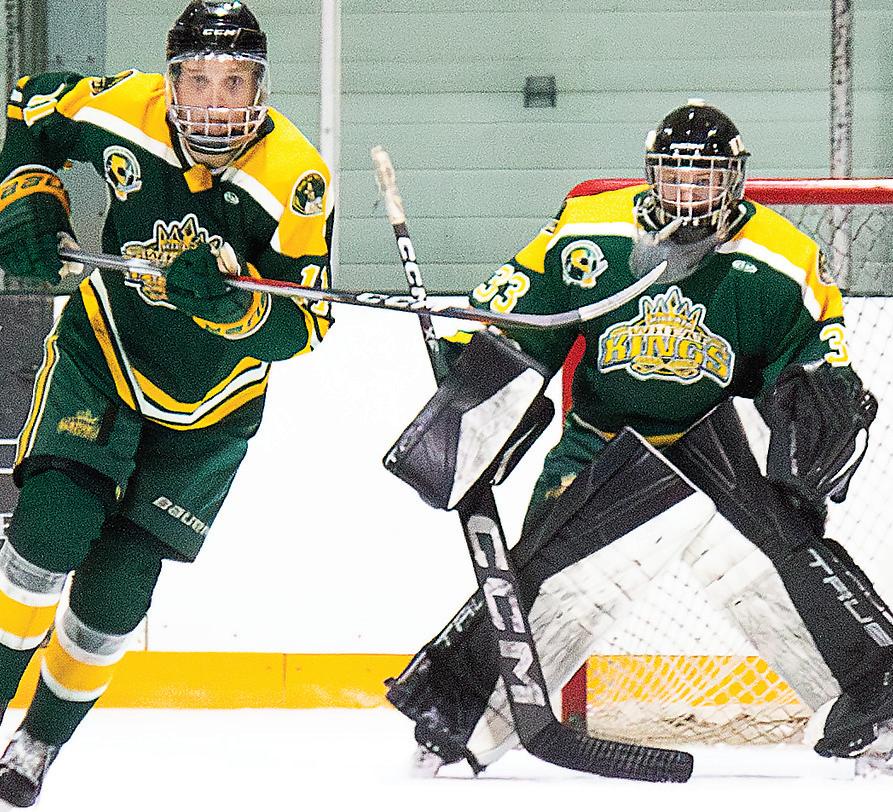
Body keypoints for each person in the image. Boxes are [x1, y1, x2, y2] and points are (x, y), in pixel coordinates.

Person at [384, 100, 893, 777]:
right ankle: (460, 718)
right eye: (675, 177)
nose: (688, 194)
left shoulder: (781, 258)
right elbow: (517, 323)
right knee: (553, 581)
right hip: (599, 445)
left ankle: (877, 709)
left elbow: (814, 357)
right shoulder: (587, 230)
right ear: (651, 175)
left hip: (713, 452)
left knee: (775, 561)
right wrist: (473, 378)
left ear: (734, 181)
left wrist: (817, 403)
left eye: (704, 179)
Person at [0, 1, 333, 805]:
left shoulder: (294, 177)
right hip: (104, 358)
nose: (215, 102)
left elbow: (307, 324)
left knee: (116, 593)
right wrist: (28, 195)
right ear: (171, 79)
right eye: (198, 80)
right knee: (48, 531)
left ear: (259, 87)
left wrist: (236, 311)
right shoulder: (126, 107)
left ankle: (38, 743)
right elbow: (29, 105)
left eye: (234, 82)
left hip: (211, 409)